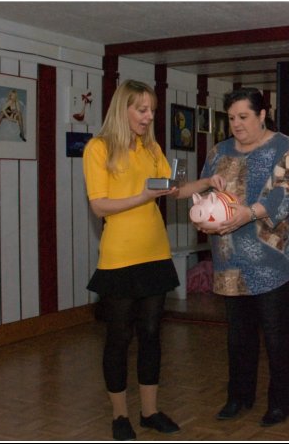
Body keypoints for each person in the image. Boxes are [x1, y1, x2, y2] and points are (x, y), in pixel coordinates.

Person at [180, 87, 289, 428]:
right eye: (232, 118)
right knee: (238, 335)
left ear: (262, 114)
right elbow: (207, 195)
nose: (236, 124)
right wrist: (205, 219)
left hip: (275, 260)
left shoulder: (286, 147)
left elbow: (288, 193)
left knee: (277, 333)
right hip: (230, 261)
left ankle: (281, 402)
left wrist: (247, 213)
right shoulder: (219, 151)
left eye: (244, 117)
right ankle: (239, 396)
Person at [82, 79, 181, 441]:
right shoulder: (98, 148)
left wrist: (204, 184)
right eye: (141, 109)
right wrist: (143, 196)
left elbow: (167, 188)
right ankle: (120, 415)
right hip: (119, 258)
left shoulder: (151, 147)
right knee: (119, 338)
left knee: (152, 335)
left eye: (151, 110)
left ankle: (150, 411)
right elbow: (99, 205)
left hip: (156, 252)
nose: (148, 116)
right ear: (122, 109)